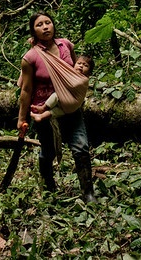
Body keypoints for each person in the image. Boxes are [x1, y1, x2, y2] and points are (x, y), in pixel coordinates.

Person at [18, 12, 97, 203]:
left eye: (48, 22)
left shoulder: (66, 45)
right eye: (39, 25)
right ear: (33, 31)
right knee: (48, 150)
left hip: (69, 105)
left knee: (81, 147)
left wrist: (79, 96)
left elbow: (75, 73)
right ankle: (49, 189)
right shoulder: (30, 57)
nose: (45, 27)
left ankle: (88, 193)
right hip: (42, 107)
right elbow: (26, 90)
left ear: (53, 25)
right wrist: (22, 118)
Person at [30, 54, 94, 122]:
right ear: (74, 64)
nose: (81, 66)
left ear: (89, 72)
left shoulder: (84, 79)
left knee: (56, 95)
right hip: (71, 109)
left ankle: (43, 108)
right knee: (56, 111)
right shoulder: (71, 73)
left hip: (70, 101)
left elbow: (73, 84)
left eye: (85, 65)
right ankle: (41, 116)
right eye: (79, 63)